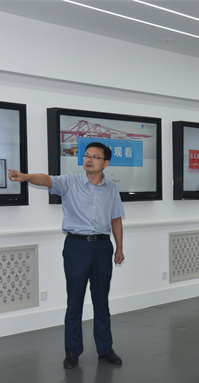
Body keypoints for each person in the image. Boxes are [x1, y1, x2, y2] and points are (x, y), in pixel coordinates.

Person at [8, 142, 125, 369]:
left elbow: (116, 219)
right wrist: (26, 177)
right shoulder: (70, 182)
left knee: (101, 301)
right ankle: (72, 351)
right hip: (76, 247)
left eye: (95, 157)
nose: (89, 159)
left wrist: (119, 248)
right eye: (87, 155)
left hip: (102, 247)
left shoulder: (111, 188)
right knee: (74, 301)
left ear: (106, 163)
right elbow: (46, 180)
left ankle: (105, 348)